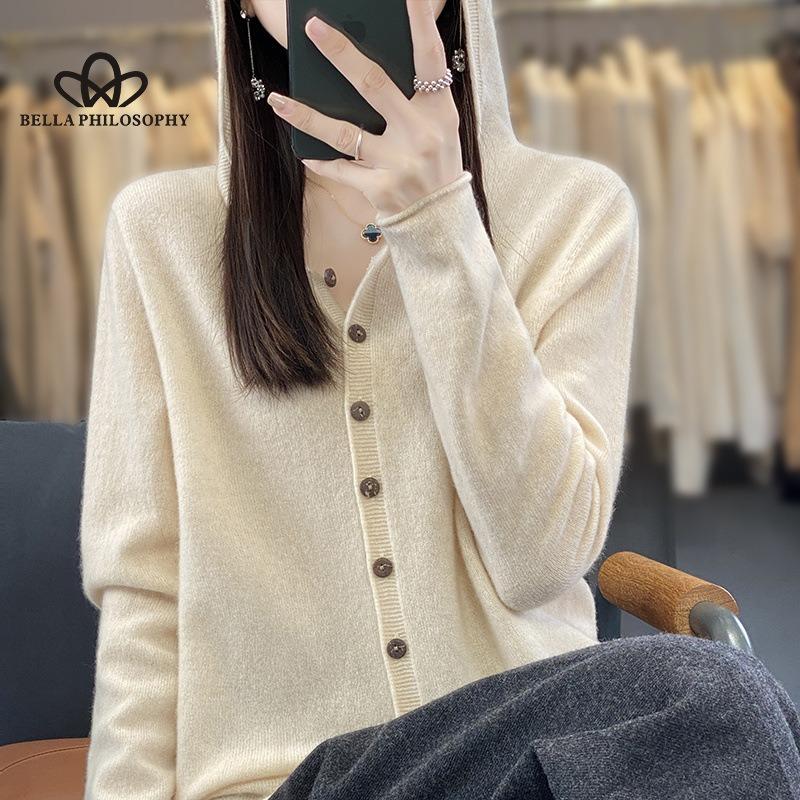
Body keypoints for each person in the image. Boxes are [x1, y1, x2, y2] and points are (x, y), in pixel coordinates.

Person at [78, 0, 800, 798]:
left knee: (723, 702)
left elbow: (540, 562)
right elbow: (146, 597)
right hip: (290, 782)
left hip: (517, 766)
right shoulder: (161, 235)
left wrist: (438, 222)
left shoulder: (575, 214)